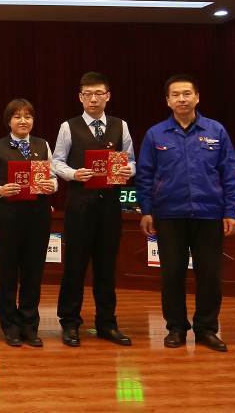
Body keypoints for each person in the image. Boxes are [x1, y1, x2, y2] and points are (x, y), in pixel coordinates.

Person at [136, 74, 235, 352]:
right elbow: (145, 175)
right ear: (167, 101)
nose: (181, 99)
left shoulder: (216, 130)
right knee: (172, 274)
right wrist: (146, 210)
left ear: (197, 97)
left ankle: (207, 329)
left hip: (209, 215)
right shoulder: (155, 134)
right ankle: (176, 328)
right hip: (169, 215)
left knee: (210, 275)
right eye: (176, 95)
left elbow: (231, 172)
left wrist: (231, 210)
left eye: (186, 94)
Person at [51, 72, 134, 348]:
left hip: (110, 206)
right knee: (74, 266)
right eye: (88, 94)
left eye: (99, 93)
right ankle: (70, 322)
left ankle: (107, 323)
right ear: (80, 97)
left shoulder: (120, 126)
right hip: (79, 206)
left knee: (106, 267)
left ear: (108, 96)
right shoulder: (68, 126)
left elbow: (132, 161)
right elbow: (56, 162)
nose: (94, 99)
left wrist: (128, 170)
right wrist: (74, 174)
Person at [0, 98, 57, 348]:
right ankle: (10, 326)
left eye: (28, 116)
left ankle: (29, 325)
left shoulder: (42, 145)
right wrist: (0, 190)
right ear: (9, 121)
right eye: (17, 116)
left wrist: (51, 185)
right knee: (8, 273)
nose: (23, 121)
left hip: (38, 216)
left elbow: (53, 177)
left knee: (33, 273)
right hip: (9, 217)